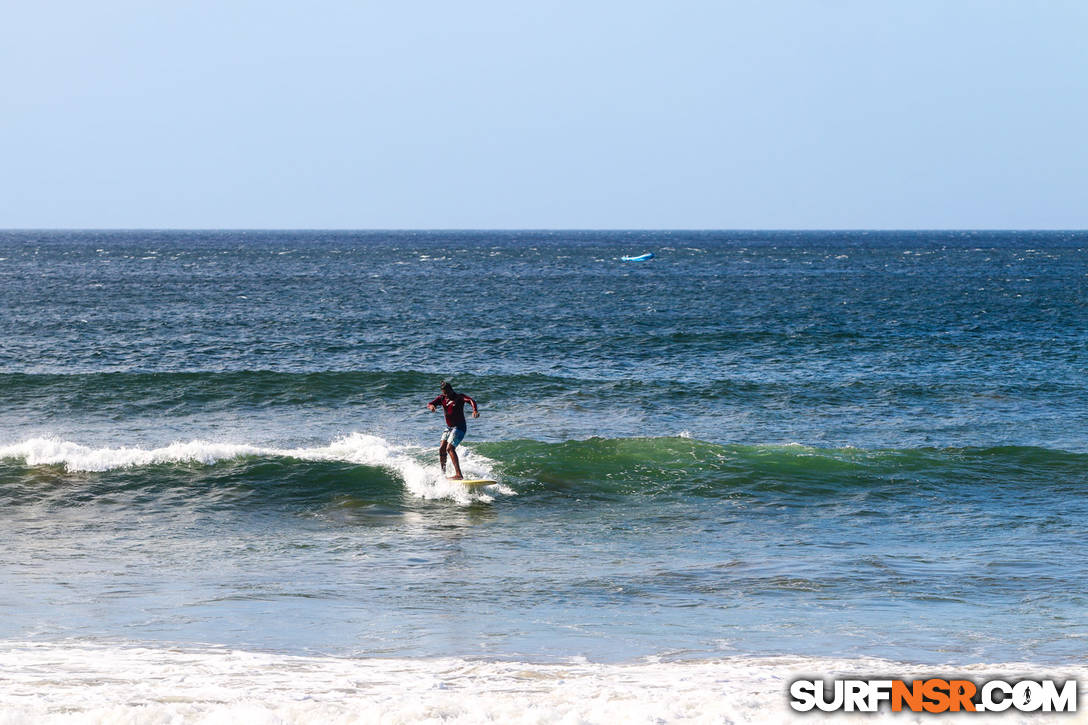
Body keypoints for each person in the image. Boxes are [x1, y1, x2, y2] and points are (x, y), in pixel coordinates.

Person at [427, 380, 479, 480]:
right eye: (444, 393)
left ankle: (459, 475)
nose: (446, 395)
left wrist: (475, 410)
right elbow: (430, 403)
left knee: (450, 448)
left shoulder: (459, 397)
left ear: (451, 390)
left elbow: (471, 400)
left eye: (447, 392)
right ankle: (443, 473)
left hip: (459, 427)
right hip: (448, 428)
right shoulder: (442, 398)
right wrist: (432, 406)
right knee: (442, 448)